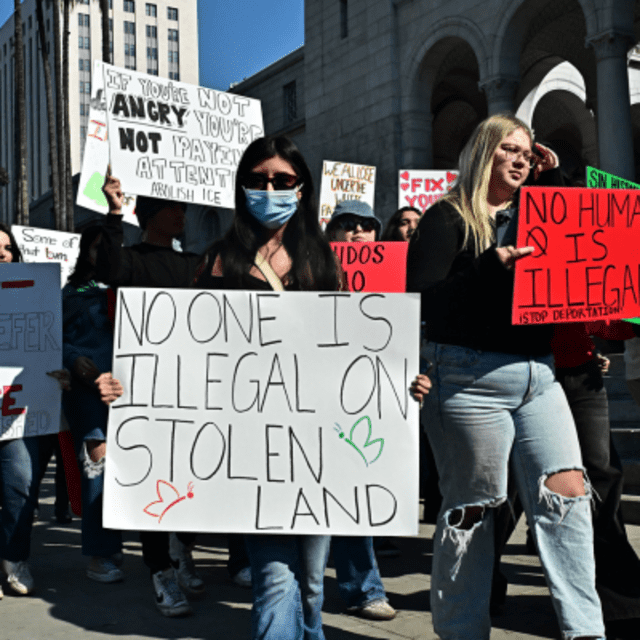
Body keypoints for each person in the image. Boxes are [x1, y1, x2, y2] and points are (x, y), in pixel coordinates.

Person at [407, 113, 605, 640]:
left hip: (539, 376)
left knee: (568, 493)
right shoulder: (445, 218)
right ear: (482, 153)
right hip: (468, 380)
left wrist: (557, 176)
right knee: (473, 513)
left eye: (527, 151)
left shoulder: (530, 216)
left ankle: (586, 631)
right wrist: (487, 268)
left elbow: (578, 232)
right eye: (508, 149)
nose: (520, 159)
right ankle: (463, 631)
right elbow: (422, 300)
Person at [99, 180, 204, 616]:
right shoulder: (130, 263)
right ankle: (160, 572)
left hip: (193, 389)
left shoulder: (196, 264)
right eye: (170, 207)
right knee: (152, 485)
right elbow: (107, 268)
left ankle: (182, 551)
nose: (180, 214)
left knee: (193, 477)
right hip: (145, 393)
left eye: (182, 207)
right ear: (149, 215)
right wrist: (113, 213)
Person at [325, 201, 397, 621]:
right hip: (311, 396)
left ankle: (363, 589)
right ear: (331, 234)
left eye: (366, 226)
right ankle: (300, 582)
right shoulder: (308, 273)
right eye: (346, 226)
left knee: (355, 496)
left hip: (365, 401)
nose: (356, 233)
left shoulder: (391, 280)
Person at [62, 225, 124, 583]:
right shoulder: (70, 295)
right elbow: (51, 340)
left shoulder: (132, 290)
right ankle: (99, 553)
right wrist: (75, 360)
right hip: (86, 393)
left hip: (130, 393)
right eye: (99, 247)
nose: (104, 254)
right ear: (86, 252)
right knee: (97, 464)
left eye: (111, 248)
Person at [0, 224, 39, 598]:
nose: (2, 253)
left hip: (11, 415)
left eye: (8, 248)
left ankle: (14, 557)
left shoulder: (29, 295)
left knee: (20, 483)